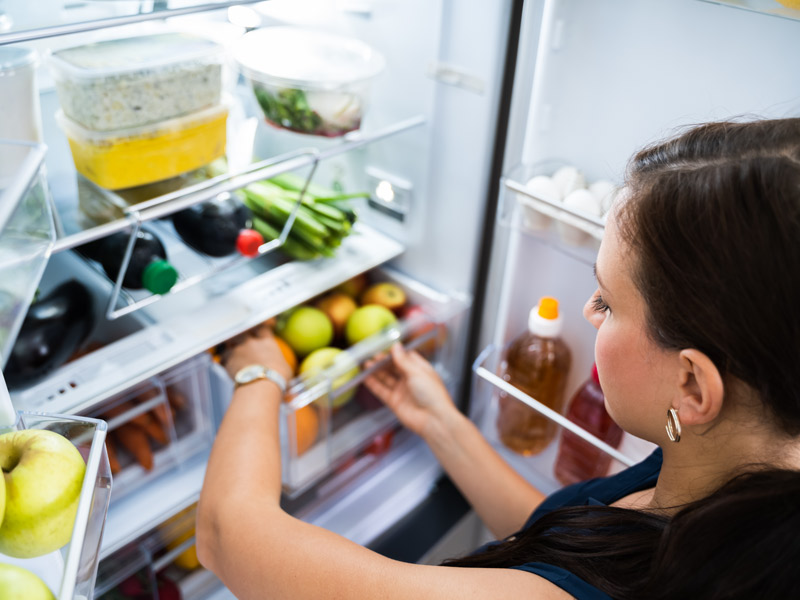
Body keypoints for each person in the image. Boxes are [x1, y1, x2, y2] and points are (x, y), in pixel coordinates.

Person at [196, 118, 800, 599]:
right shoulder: (730, 478)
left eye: (608, 302)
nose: (589, 312)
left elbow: (225, 534)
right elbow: (569, 536)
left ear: (692, 387)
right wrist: (440, 422)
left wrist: (259, 374)